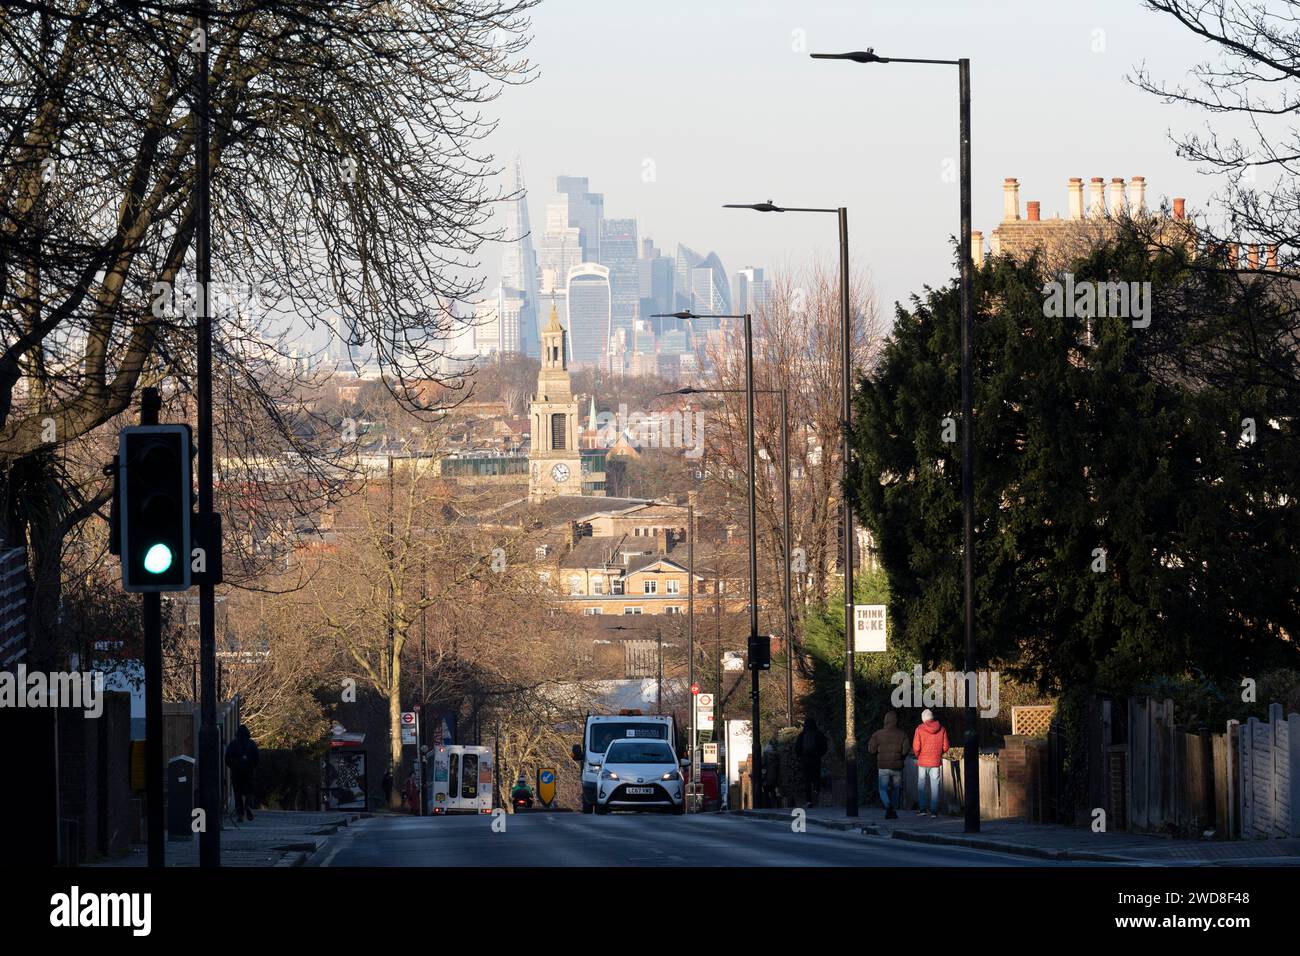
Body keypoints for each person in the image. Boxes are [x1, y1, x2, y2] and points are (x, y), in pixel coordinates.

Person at [867, 711, 911, 819]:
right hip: (897, 766)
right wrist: (900, 756)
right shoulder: (902, 734)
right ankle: (893, 810)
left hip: (883, 766)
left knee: (883, 789)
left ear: (885, 721)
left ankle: (888, 805)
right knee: (896, 789)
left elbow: (871, 749)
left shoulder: (878, 734)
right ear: (896, 721)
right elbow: (906, 750)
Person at [912, 708, 949, 817]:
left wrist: (919, 756)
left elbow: (916, 746)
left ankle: (923, 809)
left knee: (921, 785)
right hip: (936, 762)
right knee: (935, 785)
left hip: (922, 762)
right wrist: (938, 753)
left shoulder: (919, 729)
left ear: (923, 719)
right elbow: (946, 746)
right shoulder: (942, 729)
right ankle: (934, 811)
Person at [224, 724, 260, 821]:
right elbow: (257, 757)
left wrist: (232, 766)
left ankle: (240, 814)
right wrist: (252, 766)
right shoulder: (251, 744)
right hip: (249, 771)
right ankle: (248, 805)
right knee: (249, 790)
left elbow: (227, 758)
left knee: (238, 793)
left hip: (237, 772)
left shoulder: (233, 744)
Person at [794, 717, 828, 807]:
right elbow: (824, 746)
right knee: (816, 776)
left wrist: (800, 756)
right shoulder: (818, 734)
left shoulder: (802, 735)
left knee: (807, 780)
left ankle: (809, 801)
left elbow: (797, 748)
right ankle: (816, 791)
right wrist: (819, 754)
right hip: (816, 758)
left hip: (805, 760)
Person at [761, 738, 780, 807]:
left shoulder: (765, 754)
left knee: (766, 792)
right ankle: (775, 805)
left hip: (766, 775)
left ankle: (767, 806)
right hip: (773, 775)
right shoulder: (776, 755)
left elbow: (762, 764)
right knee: (772, 791)